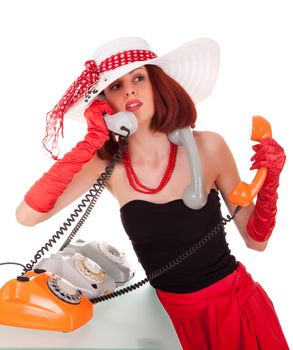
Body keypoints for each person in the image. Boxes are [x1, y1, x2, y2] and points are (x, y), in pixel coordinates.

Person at [15, 37, 289, 349]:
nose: (129, 89)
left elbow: (257, 241)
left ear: (157, 84)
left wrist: (271, 181)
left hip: (234, 309)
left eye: (138, 77)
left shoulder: (209, 147)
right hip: (166, 319)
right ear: (104, 105)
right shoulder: (107, 166)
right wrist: (92, 139)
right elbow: (27, 215)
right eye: (115, 86)